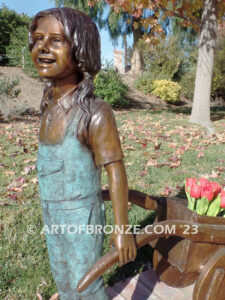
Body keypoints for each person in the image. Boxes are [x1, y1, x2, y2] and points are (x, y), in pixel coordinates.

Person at [29, 7, 136, 300]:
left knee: (86, 285)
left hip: (81, 217)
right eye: (38, 39)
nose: (43, 48)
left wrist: (122, 229)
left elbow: (115, 171)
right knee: (63, 280)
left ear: (81, 50)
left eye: (56, 40)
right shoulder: (48, 106)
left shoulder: (94, 114)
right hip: (51, 211)